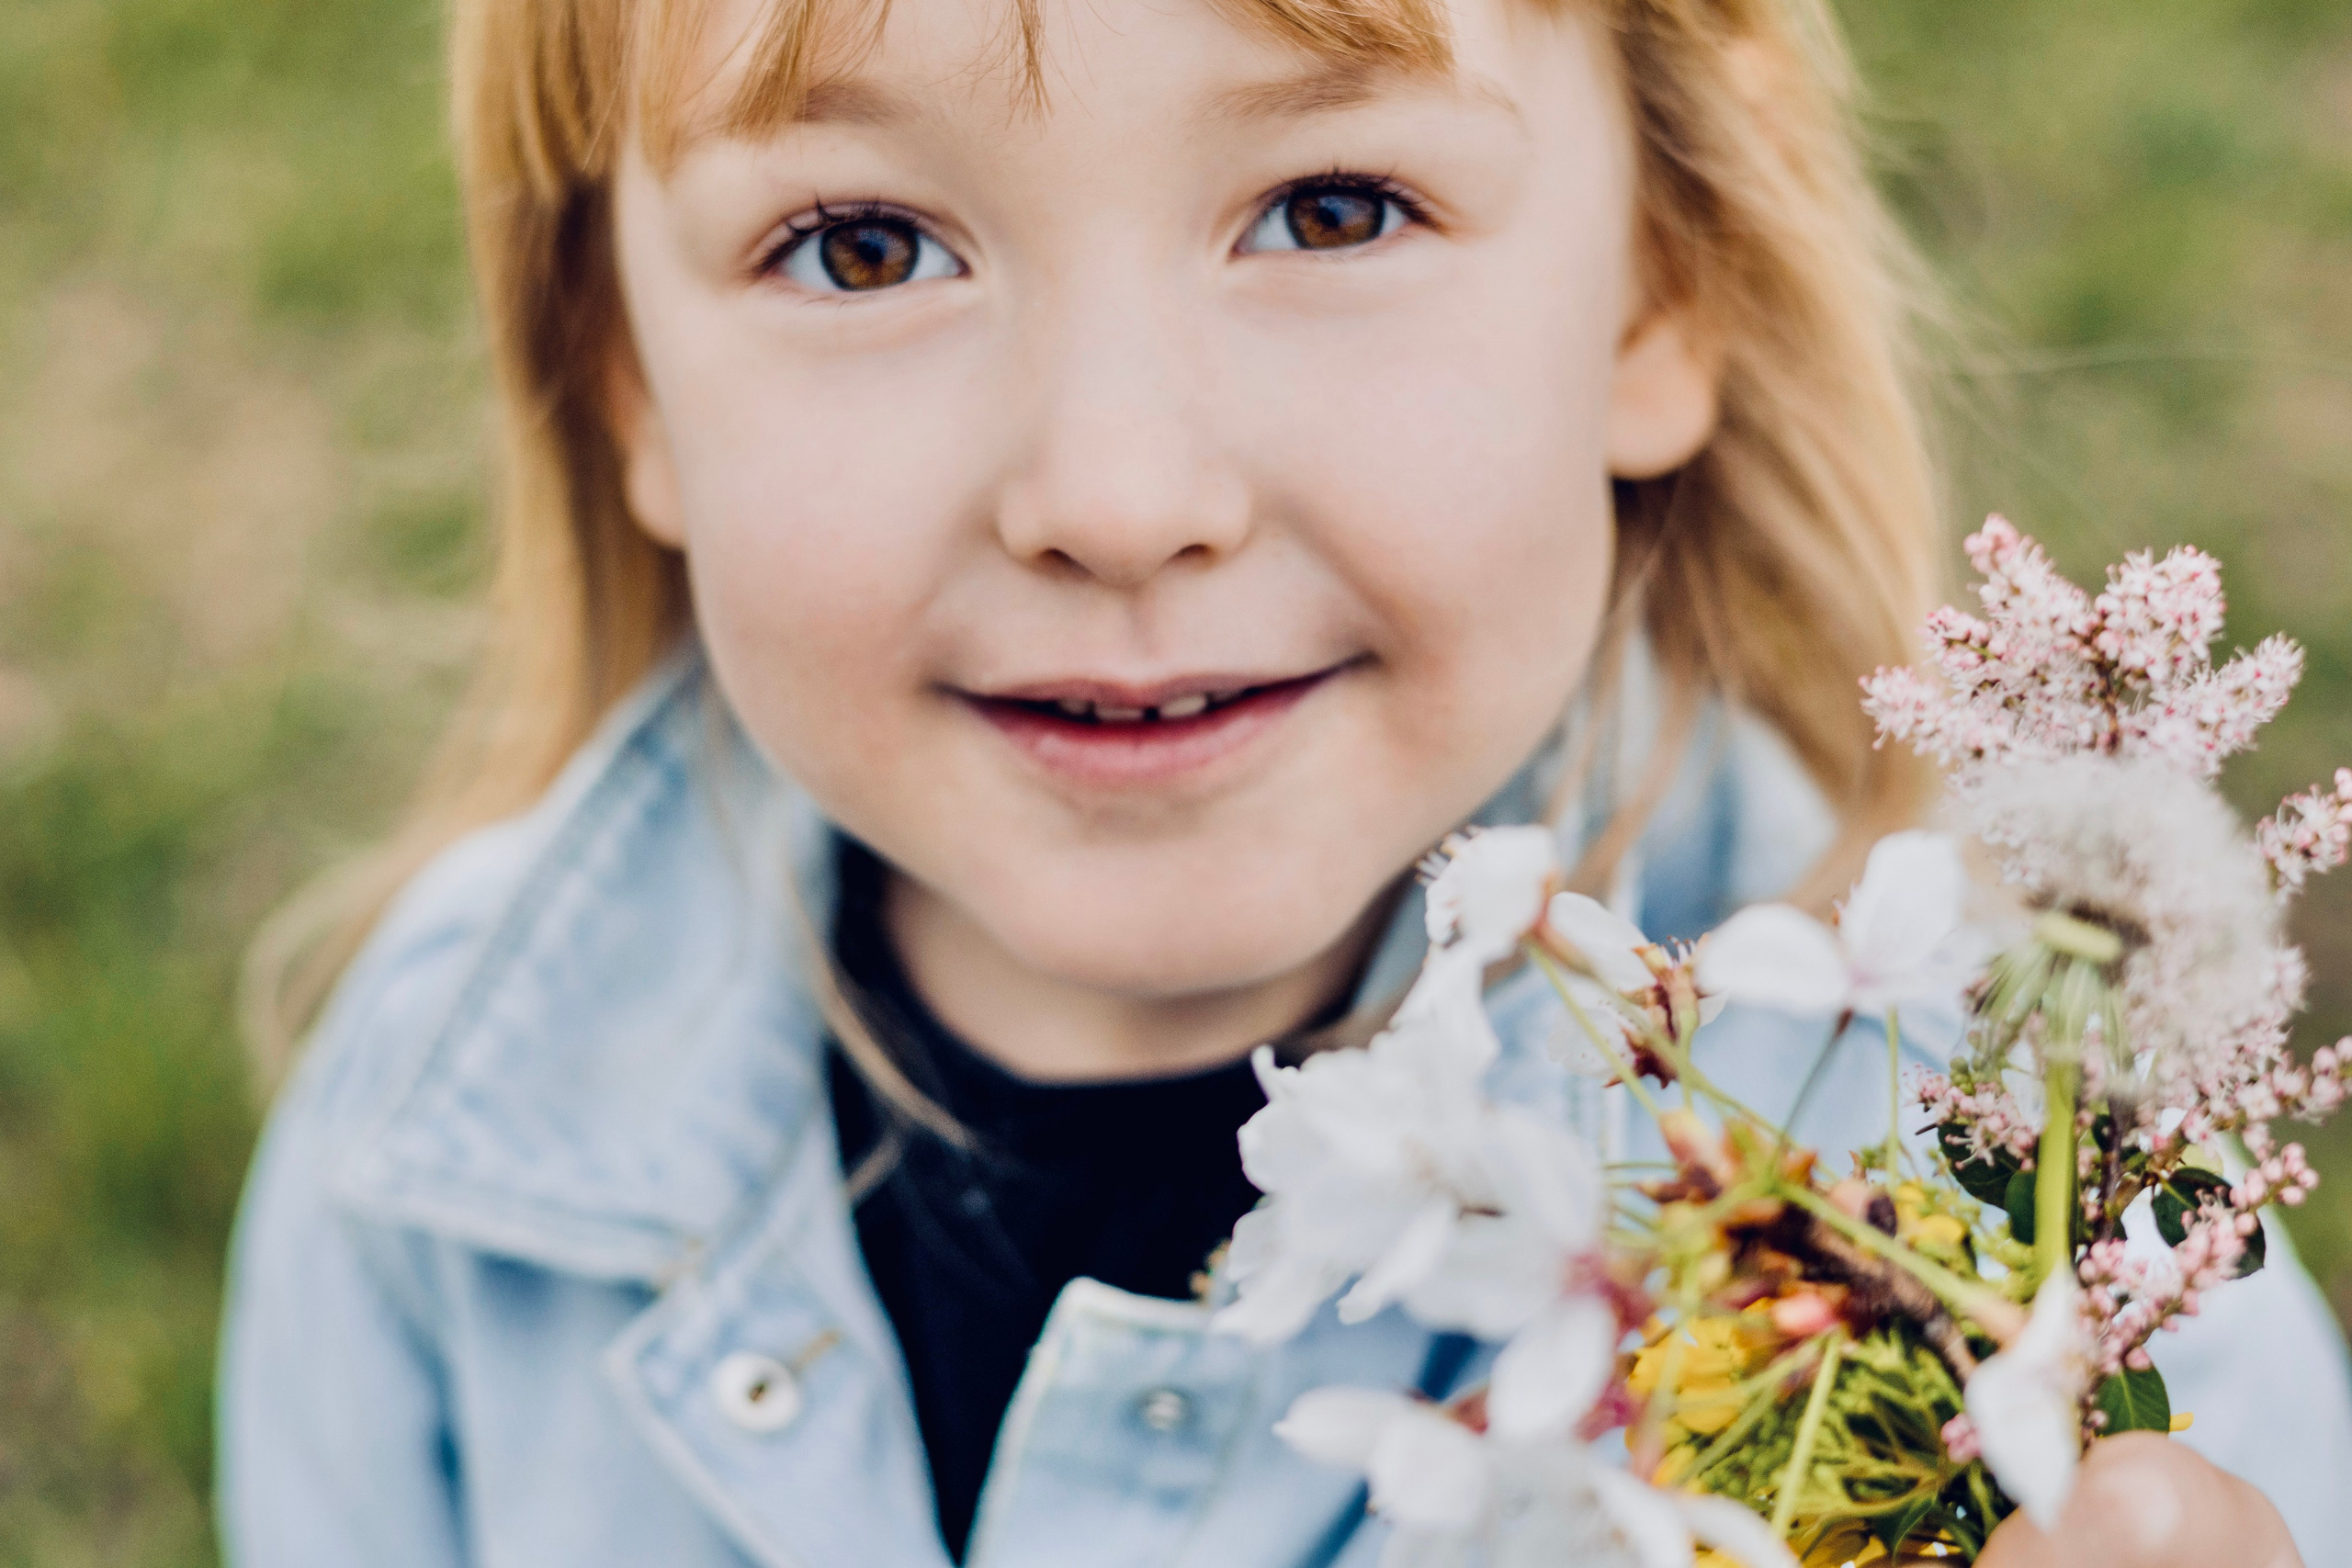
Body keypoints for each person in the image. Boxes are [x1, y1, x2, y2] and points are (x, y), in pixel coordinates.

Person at [213, 0, 2352, 1562]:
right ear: (622, 377)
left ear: (1660, 273)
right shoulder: (439, 1149)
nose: (1114, 493)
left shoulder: (2045, 1246)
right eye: (863, 246)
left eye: (1333, 206)